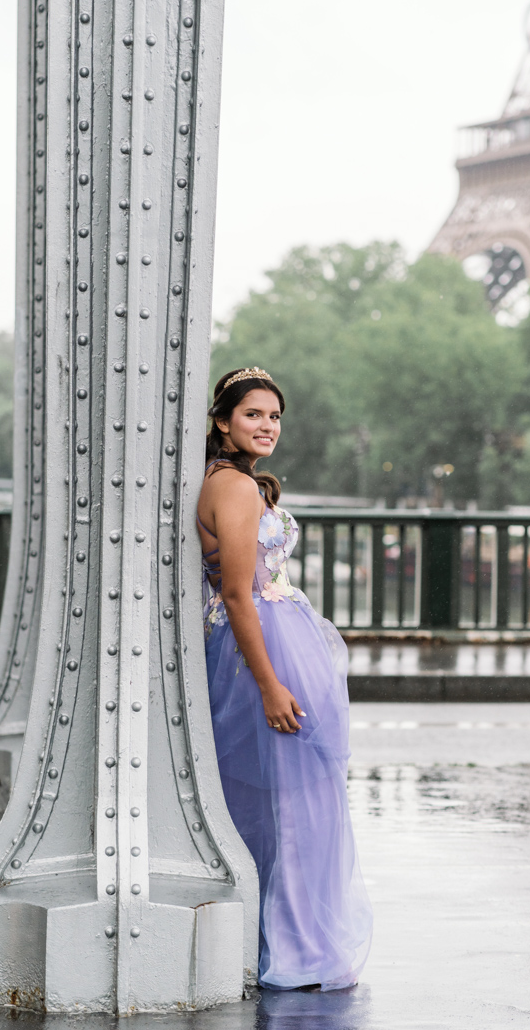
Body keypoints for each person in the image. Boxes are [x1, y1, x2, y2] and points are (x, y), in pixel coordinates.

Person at [197, 366, 372, 990]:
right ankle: (294, 945)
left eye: (274, 416)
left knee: (283, 796)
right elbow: (240, 596)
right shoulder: (236, 490)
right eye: (253, 415)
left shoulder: (231, 481)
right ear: (223, 422)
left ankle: (274, 935)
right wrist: (270, 683)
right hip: (263, 648)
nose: (267, 426)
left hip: (274, 640)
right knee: (295, 801)